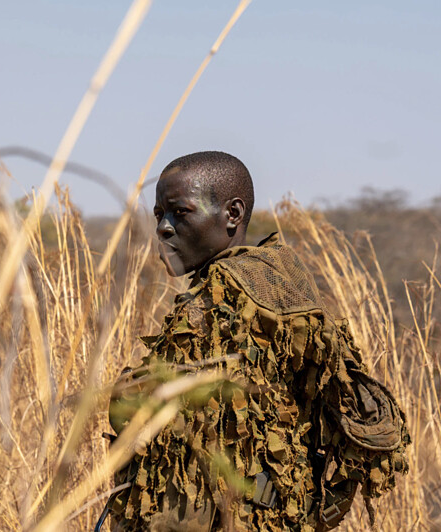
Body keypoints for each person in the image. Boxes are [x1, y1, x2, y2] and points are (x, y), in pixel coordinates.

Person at [105, 152, 409, 531]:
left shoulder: (226, 295)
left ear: (233, 214)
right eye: (158, 215)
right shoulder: (282, 283)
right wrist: (310, 511)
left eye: (179, 212)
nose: (163, 229)